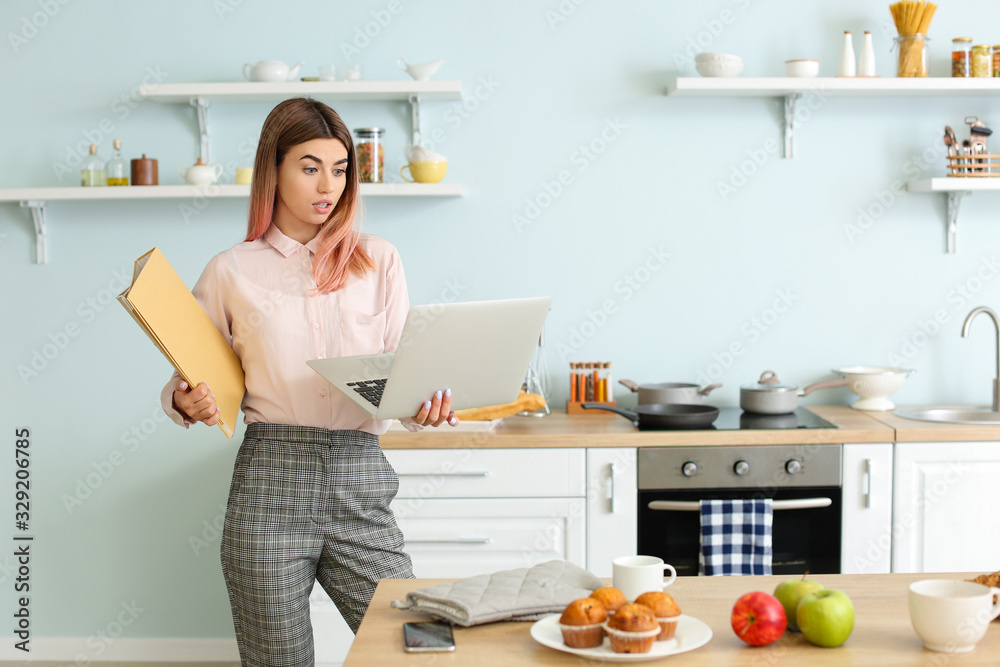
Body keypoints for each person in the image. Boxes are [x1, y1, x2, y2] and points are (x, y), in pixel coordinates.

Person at [159, 97, 458, 666]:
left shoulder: (380, 261)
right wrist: (187, 399)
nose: (329, 185)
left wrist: (427, 406)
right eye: (310, 166)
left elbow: (404, 375)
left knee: (423, 645)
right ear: (274, 168)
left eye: (341, 169)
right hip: (269, 485)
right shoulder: (231, 270)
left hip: (361, 479)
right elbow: (187, 379)